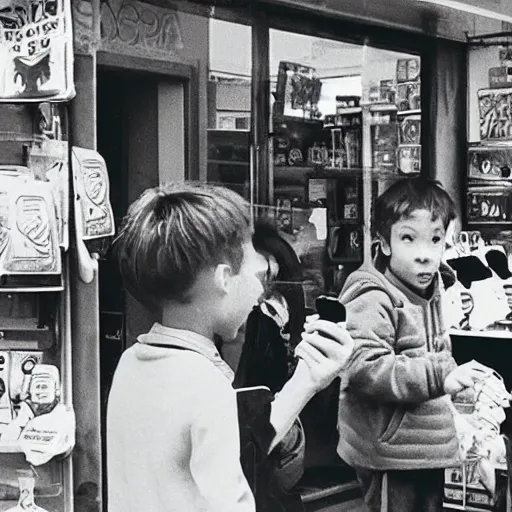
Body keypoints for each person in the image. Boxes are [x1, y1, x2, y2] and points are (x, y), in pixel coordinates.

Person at [106, 182, 354, 512]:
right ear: (225, 279)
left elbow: (240, 445)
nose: (260, 286)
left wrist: (307, 380)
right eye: (257, 270)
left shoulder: (131, 364)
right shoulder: (204, 384)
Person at [336, 177, 487, 512]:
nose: (425, 256)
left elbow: (432, 354)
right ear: (384, 243)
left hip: (426, 447)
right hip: (391, 453)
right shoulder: (373, 295)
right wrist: (440, 377)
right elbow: (365, 366)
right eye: (409, 239)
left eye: (435, 241)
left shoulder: (433, 290)